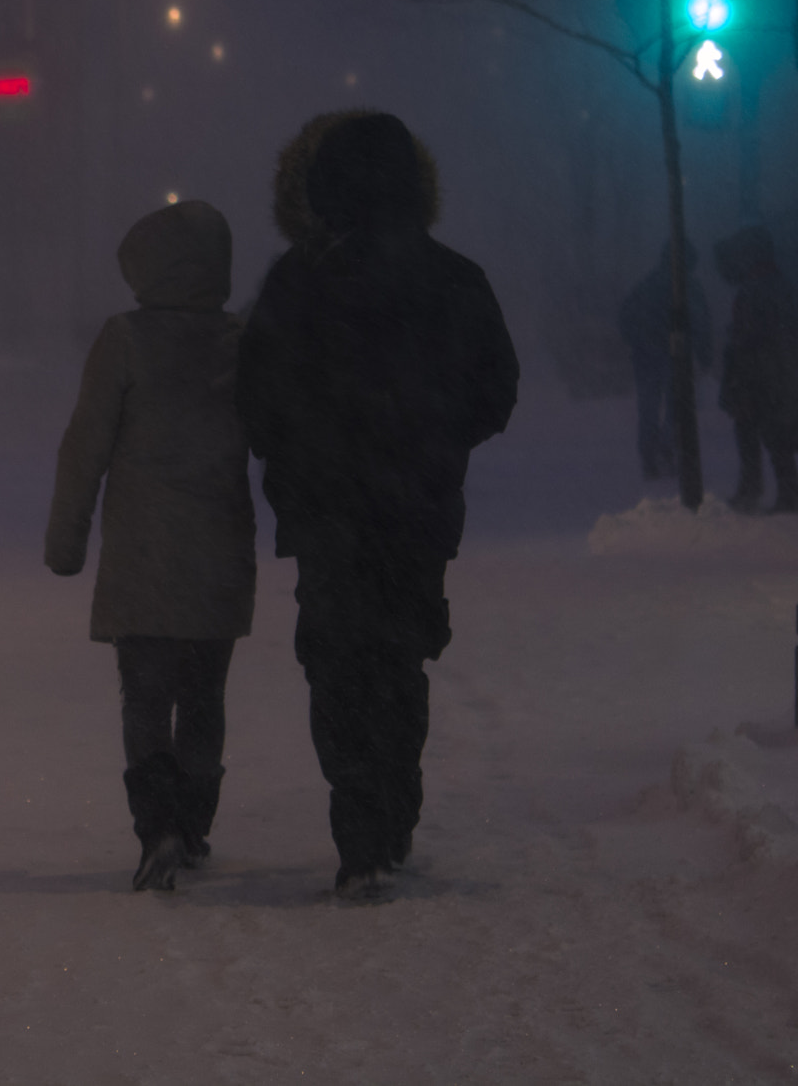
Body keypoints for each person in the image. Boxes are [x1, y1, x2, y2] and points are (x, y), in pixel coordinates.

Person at [239, 111, 518, 903]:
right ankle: (393, 807)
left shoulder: (299, 282)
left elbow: (257, 393)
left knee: (336, 662)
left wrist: (298, 453)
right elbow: (496, 389)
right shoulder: (455, 279)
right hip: (417, 510)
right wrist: (434, 440)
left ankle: (360, 821)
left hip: (329, 512)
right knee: (399, 658)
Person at [45, 200, 257, 893]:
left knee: (144, 697)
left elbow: (86, 448)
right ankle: (194, 821)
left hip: (143, 554)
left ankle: (157, 825)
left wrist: (66, 538)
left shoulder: (125, 340)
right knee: (204, 694)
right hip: (219, 548)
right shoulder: (238, 340)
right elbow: (277, 434)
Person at [714, 225, 798, 513]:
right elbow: (791, 329)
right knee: (770, 433)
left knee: (758, 432)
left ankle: (763, 490)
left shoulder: (756, 289)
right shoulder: (781, 285)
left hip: (758, 373)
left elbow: (749, 333)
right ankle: (779, 491)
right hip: (775, 371)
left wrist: (743, 352)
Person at [617, 241, 713, 480]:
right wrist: (704, 353)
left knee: (648, 408)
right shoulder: (689, 287)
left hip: (646, 356)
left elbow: (626, 316)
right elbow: (701, 322)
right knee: (675, 407)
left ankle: (649, 456)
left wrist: (637, 340)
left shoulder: (647, 285)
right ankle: (667, 449)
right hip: (675, 356)